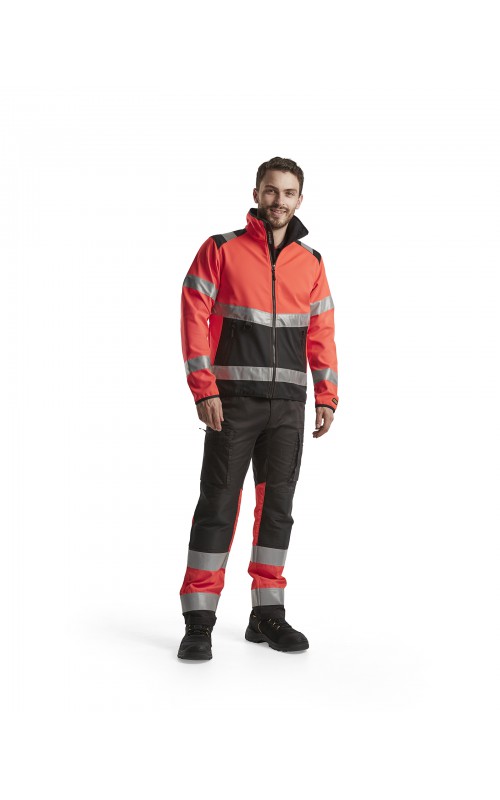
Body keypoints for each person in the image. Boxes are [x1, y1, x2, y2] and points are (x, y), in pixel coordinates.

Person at [177, 156, 339, 660]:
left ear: (299, 200)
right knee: (218, 506)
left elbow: (322, 332)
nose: (278, 200)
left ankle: (267, 615)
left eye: (288, 193)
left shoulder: (311, 262)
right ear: (256, 193)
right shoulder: (221, 249)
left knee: (277, 511)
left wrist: (327, 395)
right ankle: (199, 620)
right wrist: (204, 389)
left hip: (288, 407)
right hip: (231, 404)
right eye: (271, 190)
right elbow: (193, 314)